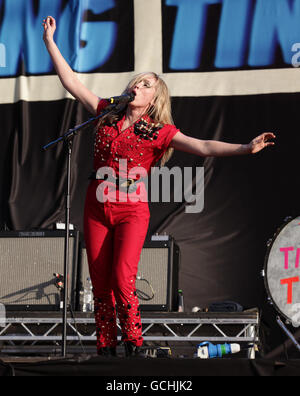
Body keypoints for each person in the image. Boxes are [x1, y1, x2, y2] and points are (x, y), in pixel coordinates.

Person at [43, 16, 275, 357]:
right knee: (101, 283)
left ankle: (134, 344)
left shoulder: (159, 131)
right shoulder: (106, 113)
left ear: (154, 97)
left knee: (122, 280)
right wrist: (50, 42)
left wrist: (244, 148)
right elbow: (73, 83)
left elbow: (203, 146)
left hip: (130, 210)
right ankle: (105, 347)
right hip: (96, 206)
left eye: (146, 84)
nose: (138, 85)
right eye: (136, 82)